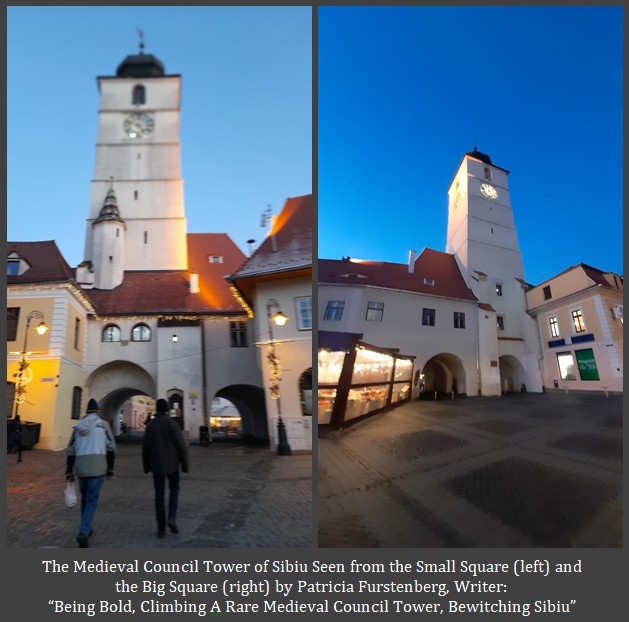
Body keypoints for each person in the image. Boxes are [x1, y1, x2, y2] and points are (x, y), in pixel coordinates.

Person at [65, 398, 116, 548]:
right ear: (98, 412)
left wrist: (69, 470)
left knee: (85, 500)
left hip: (81, 468)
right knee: (92, 501)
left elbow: (70, 451)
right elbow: (111, 448)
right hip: (97, 468)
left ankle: (87, 528)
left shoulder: (78, 427)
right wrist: (111, 468)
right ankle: (83, 532)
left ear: (86, 412)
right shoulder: (103, 425)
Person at [142, 398, 189, 538]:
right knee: (174, 490)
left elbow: (146, 448)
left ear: (157, 409)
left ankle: (161, 527)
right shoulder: (172, 424)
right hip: (172, 465)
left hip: (157, 465)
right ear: (167, 409)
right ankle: (172, 517)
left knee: (159, 495)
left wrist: (146, 465)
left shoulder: (151, 425)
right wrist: (184, 464)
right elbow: (182, 445)